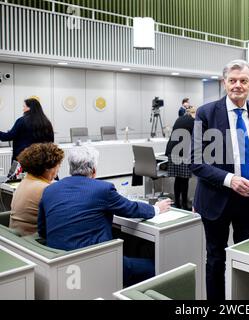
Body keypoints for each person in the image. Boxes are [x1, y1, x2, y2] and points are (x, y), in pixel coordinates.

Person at [191, 59, 249, 300]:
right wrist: (230, 179)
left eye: (243, 81)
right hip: (216, 198)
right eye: (232, 81)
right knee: (215, 259)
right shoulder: (206, 113)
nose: (237, 85)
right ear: (224, 83)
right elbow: (196, 162)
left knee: (248, 259)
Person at [37, 146, 172, 287]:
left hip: (58, 264)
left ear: (70, 168)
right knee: (156, 266)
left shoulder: (49, 190)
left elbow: (42, 230)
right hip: (95, 263)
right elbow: (131, 209)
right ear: (94, 170)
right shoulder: (102, 189)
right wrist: (156, 208)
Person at [9, 143, 64, 236]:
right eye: (58, 164)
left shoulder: (26, 181)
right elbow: (63, 219)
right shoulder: (45, 189)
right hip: (33, 243)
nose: (59, 168)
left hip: (17, 239)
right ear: (48, 167)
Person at [165, 106, 197, 210]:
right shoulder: (193, 121)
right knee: (184, 179)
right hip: (181, 152)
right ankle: (184, 204)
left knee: (178, 178)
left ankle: (178, 203)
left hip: (172, 150)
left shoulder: (180, 118)